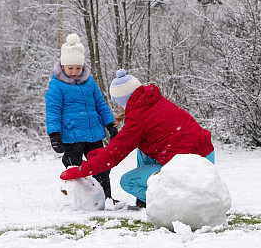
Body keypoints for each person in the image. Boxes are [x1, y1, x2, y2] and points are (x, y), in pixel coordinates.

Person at [60, 69, 215, 208]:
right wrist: (101, 154)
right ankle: (146, 201)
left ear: (123, 101)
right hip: (205, 156)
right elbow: (119, 144)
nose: (119, 107)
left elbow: (114, 155)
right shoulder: (154, 101)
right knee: (144, 150)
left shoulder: (138, 119)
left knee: (128, 182)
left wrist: (81, 170)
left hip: (188, 168)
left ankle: (176, 203)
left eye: (119, 103)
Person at [46, 33, 119, 201]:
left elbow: (100, 104)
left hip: (93, 133)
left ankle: (106, 198)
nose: (74, 72)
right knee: (74, 168)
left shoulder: (89, 82)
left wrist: (110, 125)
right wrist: (54, 134)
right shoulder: (56, 85)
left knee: (102, 165)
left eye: (78, 68)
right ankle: (76, 200)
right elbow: (53, 110)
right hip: (72, 135)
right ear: (63, 66)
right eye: (70, 68)